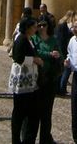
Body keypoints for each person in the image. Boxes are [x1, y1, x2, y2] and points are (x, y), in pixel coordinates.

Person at [10, 16, 41, 144]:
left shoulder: (28, 38)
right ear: (28, 28)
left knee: (24, 112)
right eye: (34, 26)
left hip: (27, 80)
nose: (36, 29)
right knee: (20, 112)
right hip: (22, 81)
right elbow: (17, 57)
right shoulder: (21, 38)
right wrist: (34, 60)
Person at [32, 16, 62, 144]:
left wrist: (59, 55)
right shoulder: (34, 39)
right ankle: (30, 137)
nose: (42, 27)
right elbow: (34, 53)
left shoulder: (53, 39)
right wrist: (49, 54)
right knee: (34, 110)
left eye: (44, 25)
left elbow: (60, 53)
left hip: (50, 77)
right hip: (36, 77)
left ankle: (45, 138)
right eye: (39, 25)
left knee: (47, 110)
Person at [56, 10, 76, 95]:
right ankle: (62, 89)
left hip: (60, 49)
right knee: (67, 70)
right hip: (64, 50)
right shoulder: (65, 25)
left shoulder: (60, 23)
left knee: (62, 70)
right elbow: (65, 38)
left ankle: (59, 88)